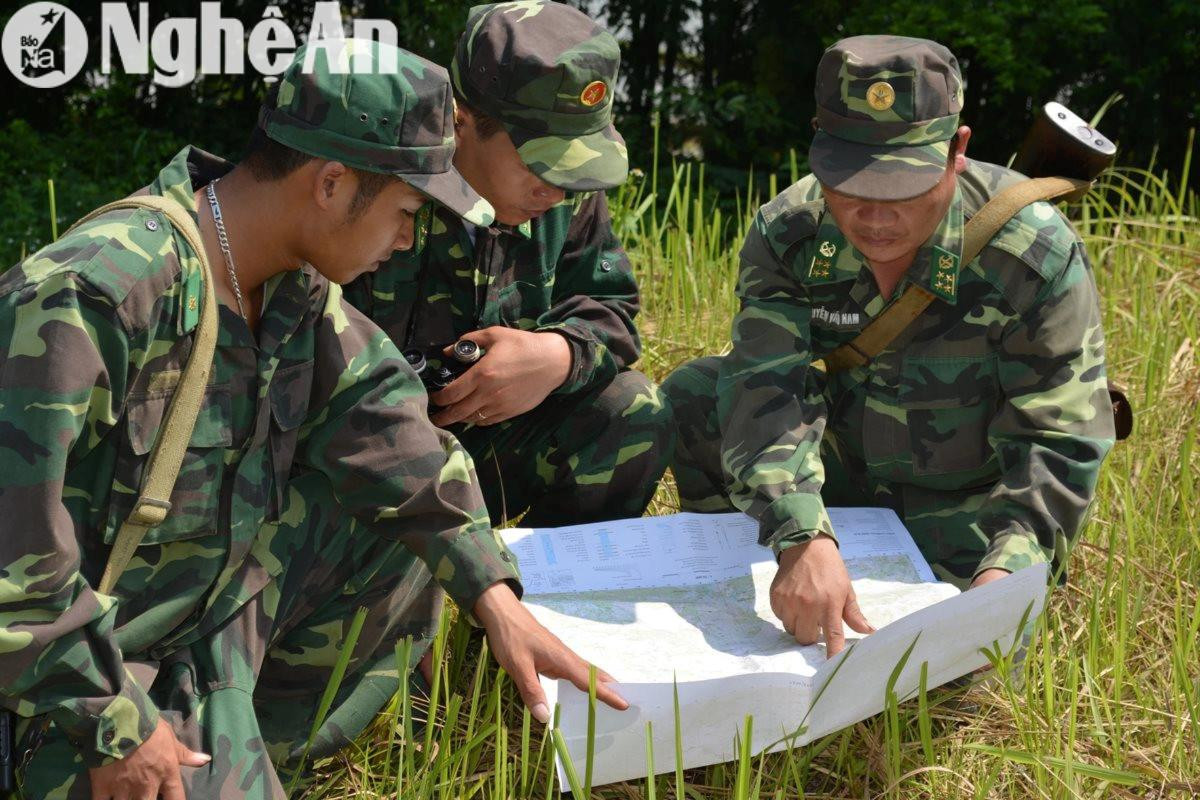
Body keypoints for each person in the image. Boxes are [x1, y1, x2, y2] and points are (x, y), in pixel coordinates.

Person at [0, 40, 624, 800]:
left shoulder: (290, 289)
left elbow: (397, 433)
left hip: (197, 634)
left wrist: (495, 599)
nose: (405, 239)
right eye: (405, 212)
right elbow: (15, 564)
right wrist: (112, 726)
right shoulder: (95, 294)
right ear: (331, 184)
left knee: (399, 524)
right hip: (65, 687)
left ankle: (240, 748)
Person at [662, 35, 1116, 657]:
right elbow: (767, 383)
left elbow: (1057, 437)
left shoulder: (1030, 253)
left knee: (954, 673)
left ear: (957, 152)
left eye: (902, 186)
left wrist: (1006, 571)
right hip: (843, 473)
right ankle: (747, 575)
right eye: (850, 184)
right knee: (695, 394)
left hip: (967, 498)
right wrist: (800, 536)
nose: (875, 216)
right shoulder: (791, 232)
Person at [344, 1, 672, 528]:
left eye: (573, 167)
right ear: (462, 121)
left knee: (633, 411)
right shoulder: (385, 183)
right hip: (368, 460)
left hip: (491, 452)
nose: (557, 189)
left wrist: (557, 355)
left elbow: (611, 306)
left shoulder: (564, 195)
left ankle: (548, 588)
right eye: (540, 163)